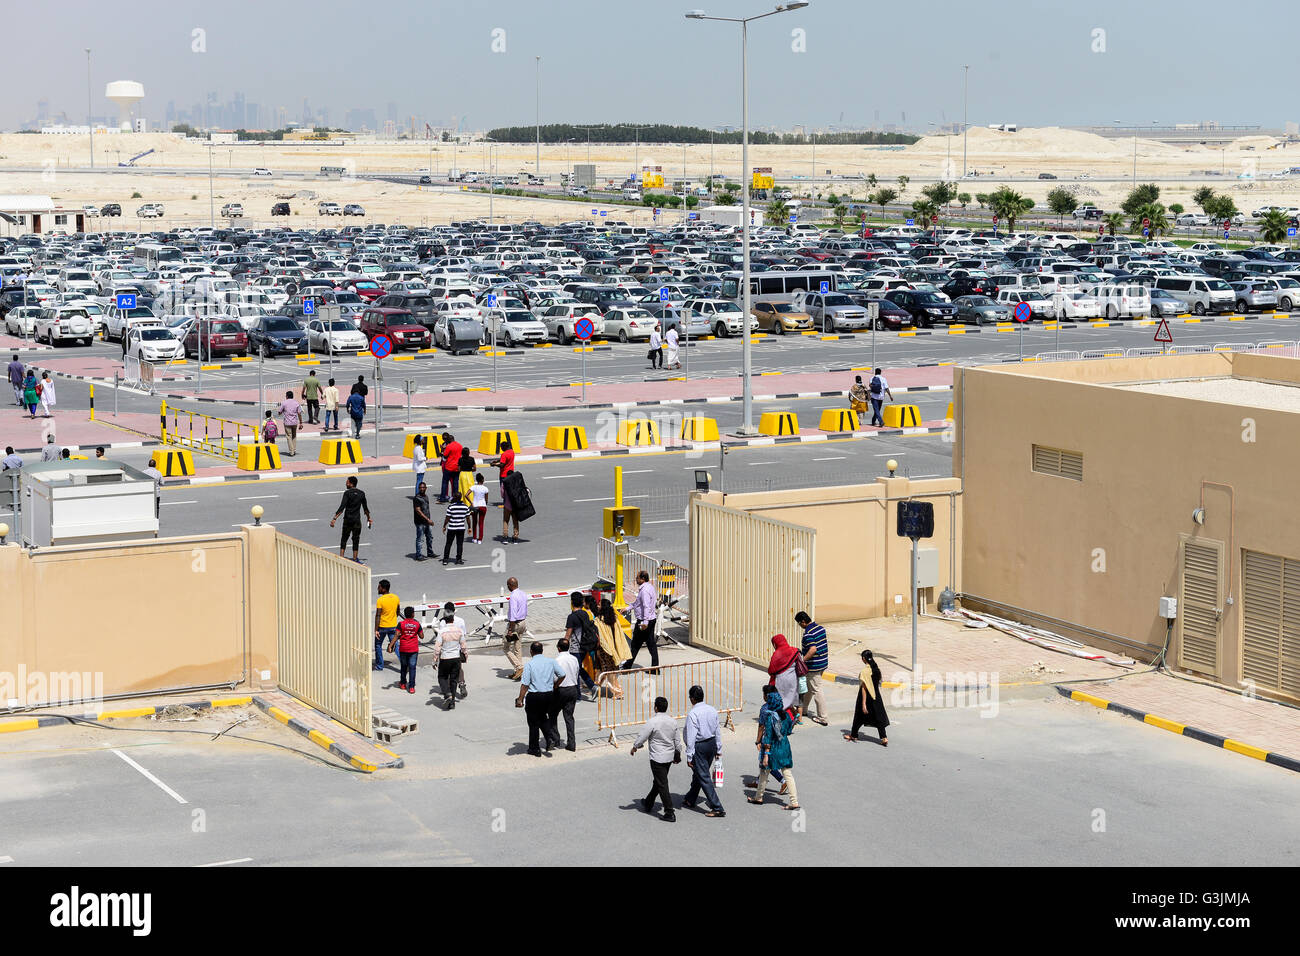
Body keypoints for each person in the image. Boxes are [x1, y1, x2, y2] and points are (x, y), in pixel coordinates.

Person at [631, 696, 682, 822]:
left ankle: (669, 812)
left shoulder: (652, 722)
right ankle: (648, 803)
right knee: (659, 781)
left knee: (662, 784)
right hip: (669, 756)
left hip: (657, 757)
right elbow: (677, 740)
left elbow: (642, 736)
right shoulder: (673, 721)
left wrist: (635, 747)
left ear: (656, 707)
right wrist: (678, 753)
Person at [749, 690, 799, 810]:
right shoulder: (786, 715)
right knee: (787, 773)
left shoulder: (771, 717)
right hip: (785, 746)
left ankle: (758, 797)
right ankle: (794, 801)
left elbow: (768, 737)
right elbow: (788, 730)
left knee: (764, 772)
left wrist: (766, 754)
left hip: (773, 748)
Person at [682, 685, 725, 817]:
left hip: (699, 746)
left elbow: (691, 736)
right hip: (711, 744)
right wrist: (718, 748)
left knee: (703, 775)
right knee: (699, 773)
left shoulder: (693, 714)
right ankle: (691, 798)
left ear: (692, 699)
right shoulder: (712, 710)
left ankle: (717, 807)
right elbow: (717, 731)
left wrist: (689, 756)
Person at [515, 641, 563, 757]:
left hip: (534, 696)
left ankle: (534, 748)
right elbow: (562, 674)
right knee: (542, 717)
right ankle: (549, 738)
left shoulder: (530, 665)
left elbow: (525, 684)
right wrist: (555, 685)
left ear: (531, 651)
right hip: (548, 695)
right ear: (542, 650)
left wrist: (520, 699)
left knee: (533, 723)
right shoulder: (551, 662)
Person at [845, 649, 890, 746]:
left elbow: (864, 689)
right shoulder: (876, 669)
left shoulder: (864, 672)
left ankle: (853, 735)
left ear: (863, 659)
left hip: (866, 697)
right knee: (878, 717)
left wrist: (863, 703)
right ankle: (884, 737)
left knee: (858, 716)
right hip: (876, 696)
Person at [796, 610, 830, 726]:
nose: (800, 626)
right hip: (823, 663)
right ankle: (804, 710)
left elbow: (813, 649)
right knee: (810, 687)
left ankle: (823, 717)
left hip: (814, 666)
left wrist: (802, 660)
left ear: (803, 622)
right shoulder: (820, 628)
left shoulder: (808, 633)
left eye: (799, 623)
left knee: (816, 689)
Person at [563, 591, 598, 700]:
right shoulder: (585, 614)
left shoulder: (572, 617)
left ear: (572, 602)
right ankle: (592, 686)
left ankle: (578, 696)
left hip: (575, 648)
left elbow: (568, 634)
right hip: (585, 646)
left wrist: (563, 645)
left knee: (575, 671)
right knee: (578, 669)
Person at [593, 598, 631, 700]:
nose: (597, 606)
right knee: (602, 669)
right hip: (613, 648)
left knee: (609, 672)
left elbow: (600, 636)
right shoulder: (614, 618)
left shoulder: (599, 620)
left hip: (605, 650)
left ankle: (617, 692)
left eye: (599, 605)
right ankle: (595, 687)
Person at [330, 475, 372, 561]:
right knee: (356, 540)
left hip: (347, 520)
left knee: (344, 538)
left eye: (347, 482)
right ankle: (355, 558)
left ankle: (341, 558)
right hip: (357, 521)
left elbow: (342, 508)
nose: (346, 483)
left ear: (351, 484)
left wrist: (334, 519)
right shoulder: (361, 493)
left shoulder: (347, 493)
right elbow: (365, 509)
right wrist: (368, 518)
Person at [433, 603, 467, 709]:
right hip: (456, 657)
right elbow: (463, 644)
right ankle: (452, 701)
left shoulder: (442, 629)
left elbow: (438, 646)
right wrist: (465, 655)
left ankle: (447, 693)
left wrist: (434, 660)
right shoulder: (460, 625)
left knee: (442, 677)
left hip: (445, 656)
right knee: (454, 679)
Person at [624, 570, 659, 669]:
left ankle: (627, 666)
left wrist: (645, 623)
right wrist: (628, 608)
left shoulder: (644, 591)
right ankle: (655, 667)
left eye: (637, 578)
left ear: (642, 579)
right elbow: (637, 603)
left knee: (635, 644)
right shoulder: (649, 587)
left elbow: (646, 606)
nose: (636, 579)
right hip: (650, 619)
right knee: (651, 644)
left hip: (644, 621)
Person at [552, 637, 581, 751]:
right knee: (569, 717)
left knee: (553, 714)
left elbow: (555, 677)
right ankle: (571, 742)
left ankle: (555, 739)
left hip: (561, 690)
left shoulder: (557, 660)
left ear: (558, 648)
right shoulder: (574, 659)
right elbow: (577, 672)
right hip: (572, 689)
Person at [487, 439, 518, 541]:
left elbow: (502, 464)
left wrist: (494, 464)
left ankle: (505, 535)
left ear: (504, 447)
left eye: (501, 448)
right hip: (510, 473)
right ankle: (515, 535)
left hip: (504, 475)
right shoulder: (511, 452)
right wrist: (497, 461)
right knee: (515, 519)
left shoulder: (504, 454)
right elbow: (504, 461)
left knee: (504, 494)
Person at [388, 606, 422, 694]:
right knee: (412, 667)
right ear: (413, 614)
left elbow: (396, 635)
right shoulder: (417, 624)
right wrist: (414, 632)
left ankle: (403, 683)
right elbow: (422, 636)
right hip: (413, 649)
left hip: (403, 648)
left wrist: (390, 646)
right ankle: (411, 687)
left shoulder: (401, 624)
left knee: (404, 666)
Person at [767, 634, 802, 719]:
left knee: (782, 700)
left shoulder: (776, 654)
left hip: (781, 680)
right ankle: (794, 716)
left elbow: (771, 670)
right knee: (790, 697)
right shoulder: (794, 650)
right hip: (793, 678)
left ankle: (787, 718)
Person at [372, 579, 400, 673]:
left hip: (382, 627)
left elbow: (378, 615)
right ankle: (404, 664)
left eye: (379, 587)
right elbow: (398, 612)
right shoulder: (396, 597)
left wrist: (376, 630)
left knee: (378, 645)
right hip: (393, 626)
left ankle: (379, 665)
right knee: (395, 646)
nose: (377, 588)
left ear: (383, 589)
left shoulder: (380, 600)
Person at [504, 578, 528, 680]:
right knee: (517, 648)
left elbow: (513, 614)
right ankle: (518, 672)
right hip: (523, 623)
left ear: (510, 585)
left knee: (506, 647)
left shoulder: (513, 596)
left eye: (507, 585)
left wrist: (510, 630)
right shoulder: (523, 593)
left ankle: (519, 667)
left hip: (515, 624)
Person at [441, 494, 469, 565]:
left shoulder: (451, 506)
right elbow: (468, 518)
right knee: (459, 544)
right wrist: (469, 527)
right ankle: (459, 559)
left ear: (455, 498)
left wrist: (444, 526)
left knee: (448, 544)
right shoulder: (465, 507)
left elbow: (447, 518)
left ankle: (445, 559)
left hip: (452, 528)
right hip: (461, 528)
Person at [412, 480, 434, 561]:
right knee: (420, 539)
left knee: (430, 537)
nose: (422, 489)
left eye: (423, 487)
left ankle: (430, 553)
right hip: (420, 522)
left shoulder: (426, 496)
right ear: (418, 488)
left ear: (426, 488)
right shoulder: (417, 498)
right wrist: (428, 520)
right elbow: (418, 511)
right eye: (420, 488)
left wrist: (428, 520)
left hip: (427, 521)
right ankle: (418, 555)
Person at [438, 432, 462, 503]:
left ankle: (442, 498)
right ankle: (455, 498)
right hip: (457, 467)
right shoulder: (460, 445)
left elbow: (445, 456)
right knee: (455, 483)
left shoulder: (449, 446)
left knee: (445, 482)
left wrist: (442, 452)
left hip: (449, 467)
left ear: (449, 439)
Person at [277, 390, 301, 456]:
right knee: (294, 436)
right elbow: (299, 413)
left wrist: (280, 411)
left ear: (287, 396)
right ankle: (294, 449)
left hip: (287, 423)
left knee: (289, 437)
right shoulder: (296, 403)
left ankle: (291, 451)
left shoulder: (284, 403)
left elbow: (279, 412)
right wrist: (301, 422)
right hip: (295, 422)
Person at [469, 473, 488, 544]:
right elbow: (486, 499)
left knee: (474, 522)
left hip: (475, 506)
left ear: (476, 480)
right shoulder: (485, 488)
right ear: (482, 480)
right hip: (482, 506)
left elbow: (466, 495)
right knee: (481, 523)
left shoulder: (473, 487)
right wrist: (484, 504)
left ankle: (474, 538)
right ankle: (480, 539)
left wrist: (471, 502)